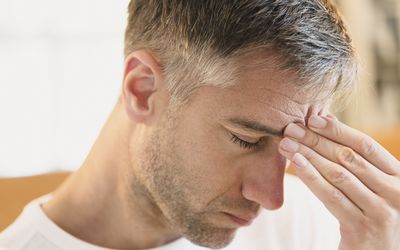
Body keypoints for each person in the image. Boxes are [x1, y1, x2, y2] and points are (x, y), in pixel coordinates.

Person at [1, 0, 399, 249]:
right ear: (143, 90)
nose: (271, 198)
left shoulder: (325, 228)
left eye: (294, 147)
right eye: (246, 139)